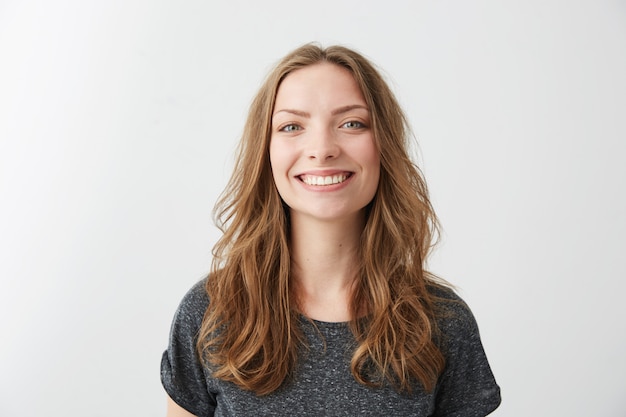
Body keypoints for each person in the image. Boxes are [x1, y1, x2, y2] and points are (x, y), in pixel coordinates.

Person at [161, 42, 501, 417]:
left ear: (384, 145)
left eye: (351, 123)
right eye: (292, 126)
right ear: (266, 151)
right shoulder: (211, 310)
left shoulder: (441, 321)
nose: (321, 149)